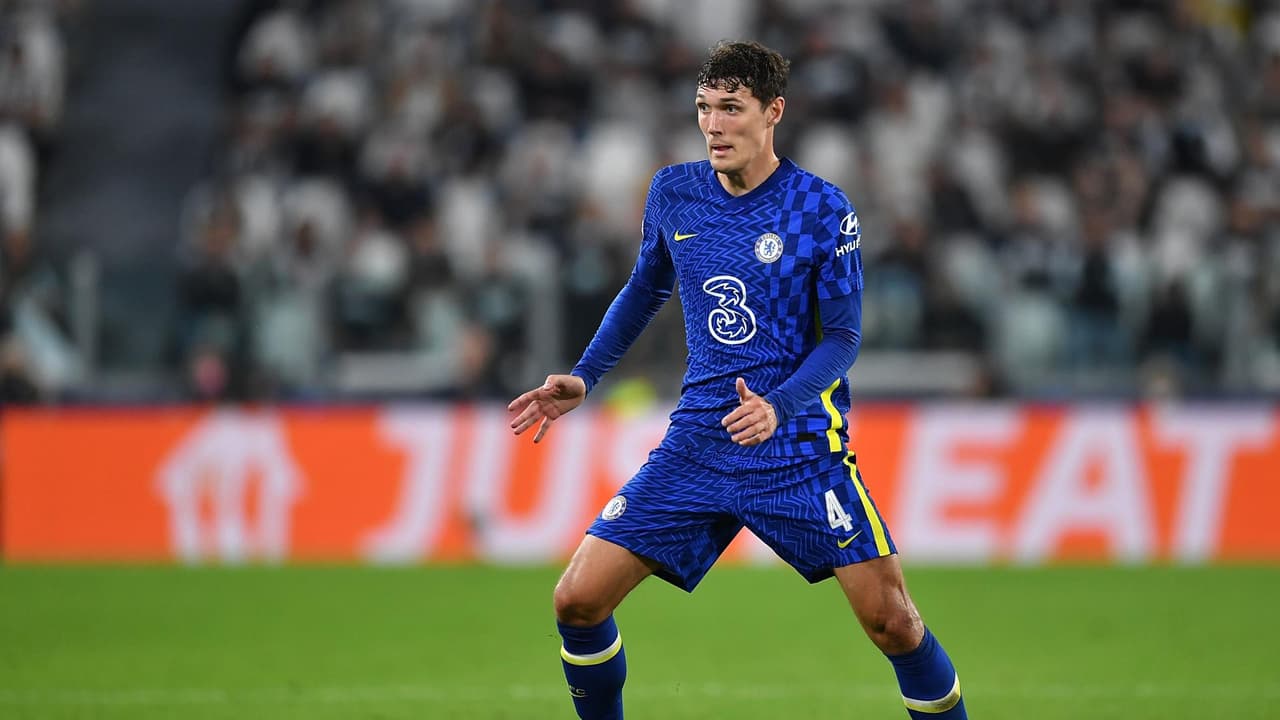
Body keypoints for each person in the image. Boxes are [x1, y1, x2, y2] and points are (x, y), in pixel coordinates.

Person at [508, 41, 968, 720]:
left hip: (798, 448)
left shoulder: (821, 209)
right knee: (576, 601)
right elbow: (644, 290)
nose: (713, 125)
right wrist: (584, 375)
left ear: (773, 111)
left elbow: (842, 338)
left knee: (893, 622)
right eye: (703, 108)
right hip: (700, 441)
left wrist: (779, 406)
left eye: (731, 108)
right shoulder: (675, 193)